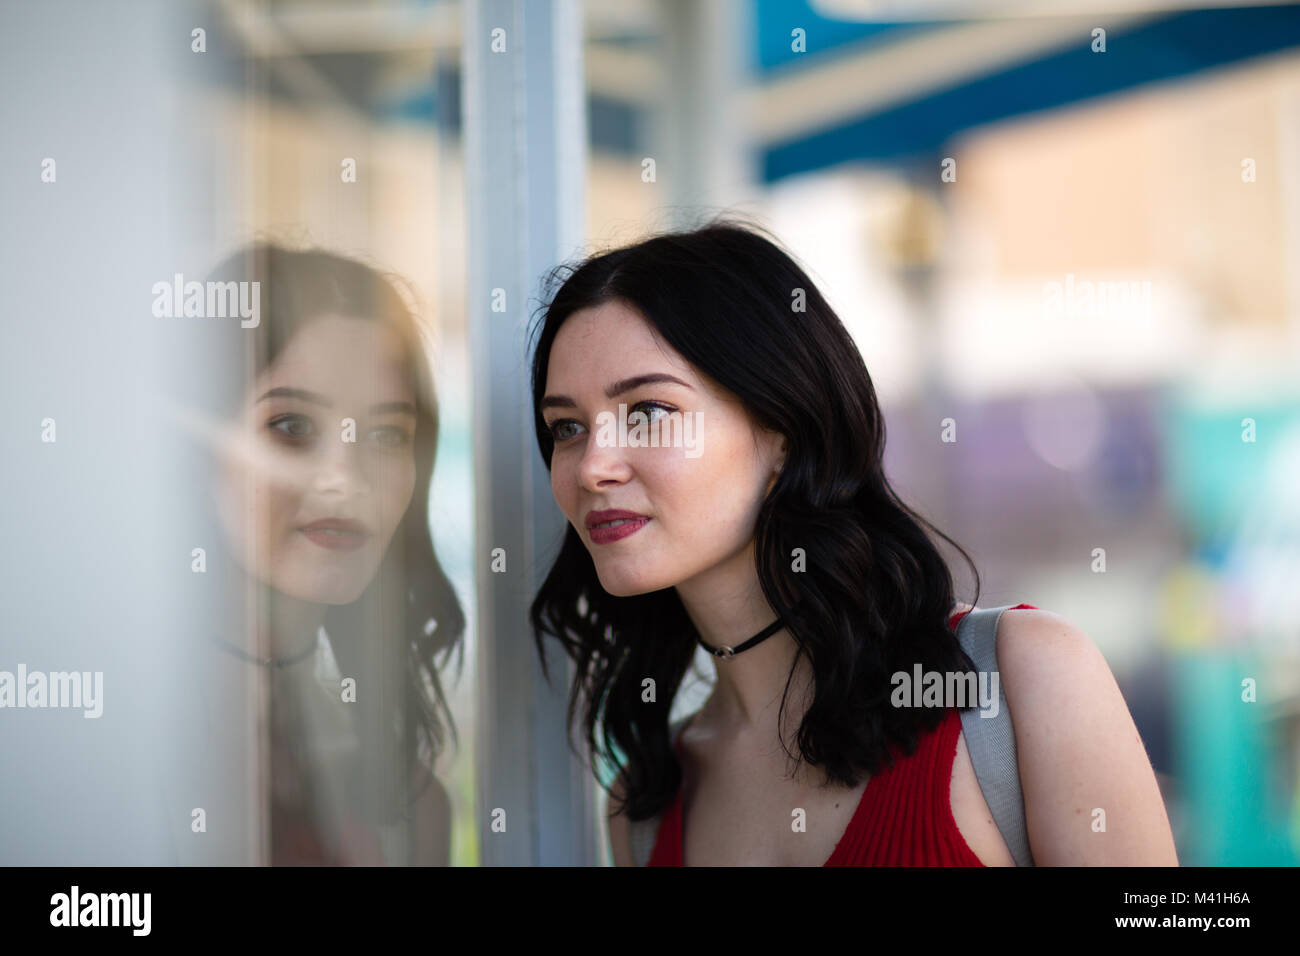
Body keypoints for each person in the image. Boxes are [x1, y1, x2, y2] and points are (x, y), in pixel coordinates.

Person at [527, 218, 1178, 866]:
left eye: (648, 412)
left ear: (782, 429)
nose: (592, 467)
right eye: (566, 428)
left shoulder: (1016, 681)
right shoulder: (644, 808)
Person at [170, 243, 464, 865]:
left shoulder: (413, 804)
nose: (343, 479)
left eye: (386, 435)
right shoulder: (97, 759)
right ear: (197, 447)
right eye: (293, 427)